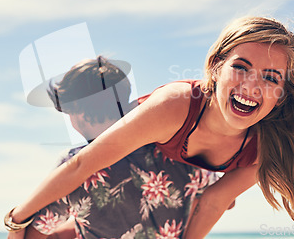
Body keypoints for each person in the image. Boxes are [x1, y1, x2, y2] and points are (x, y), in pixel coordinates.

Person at [6, 16, 294, 239]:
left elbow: (212, 202)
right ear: (215, 67)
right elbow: (82, 165)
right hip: (115, 166)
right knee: (57, 208)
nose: (251, 85)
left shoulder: (264, 146)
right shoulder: (176, 105)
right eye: (240, 67)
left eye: (271, 77)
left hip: (174, 199)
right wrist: (16, 221)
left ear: (283, 95)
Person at [19, 56, 217, 239]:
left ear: (78, 110)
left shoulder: (73, 168)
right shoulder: (172, 146)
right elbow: (217, 198)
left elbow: (35, 233)